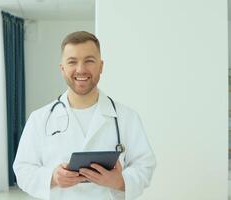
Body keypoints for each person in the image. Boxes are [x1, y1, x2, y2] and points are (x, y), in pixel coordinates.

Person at [13, 31, 156, 200]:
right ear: (62, 68)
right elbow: (22, 170)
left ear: (101, 66)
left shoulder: (127, 118)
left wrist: (120, 181)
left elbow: (145, 165)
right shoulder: (39, 119)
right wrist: (53, 177)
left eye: (89, 61)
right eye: (72, 62)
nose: (81, 69)